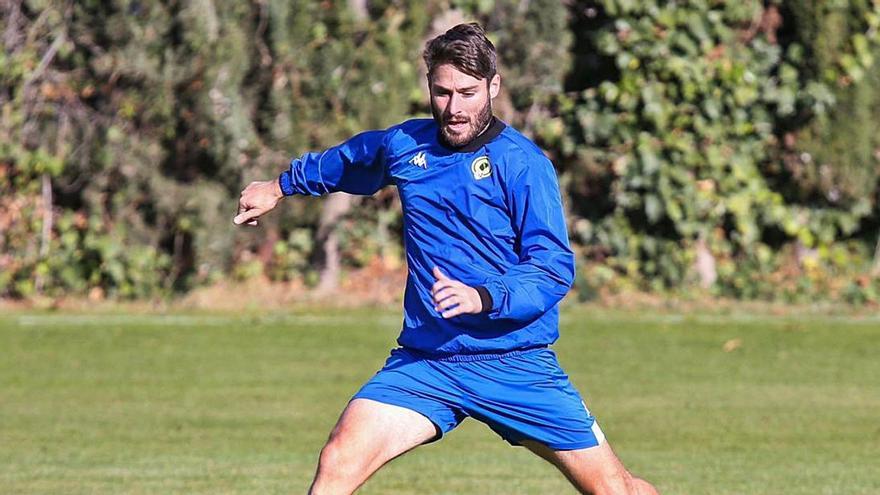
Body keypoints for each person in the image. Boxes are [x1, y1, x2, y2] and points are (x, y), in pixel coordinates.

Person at [234, 22, 659, 495]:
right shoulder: (407, 146)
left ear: (494, 87)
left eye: (468, 92)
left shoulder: (523, 164)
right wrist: (279, 186)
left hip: (514, 363)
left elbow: (552, 267)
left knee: (614, 489)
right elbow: (350, 159)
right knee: (339, 458)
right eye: (442, 93)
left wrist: (483, 296)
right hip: (429, 361)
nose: (454, 108)